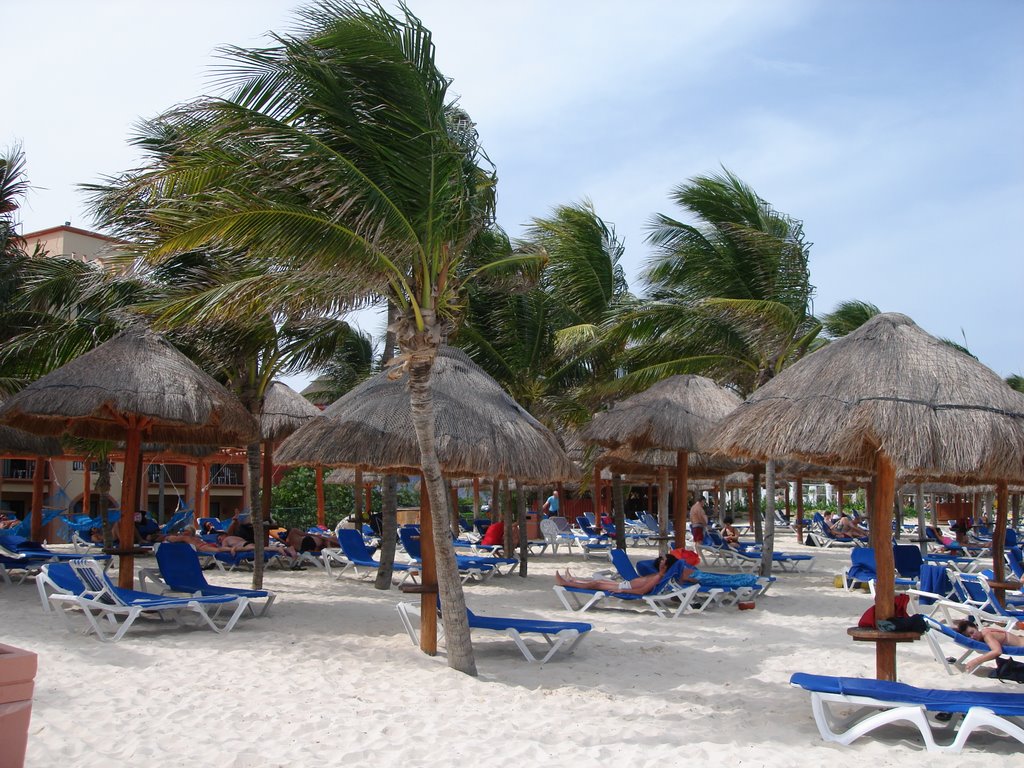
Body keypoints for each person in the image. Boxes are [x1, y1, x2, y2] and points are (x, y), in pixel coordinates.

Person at [555, 554, 678, 595]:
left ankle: (566, 583)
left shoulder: (658, 577)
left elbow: (641, 591)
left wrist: (623, 591)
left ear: (666, 565)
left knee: (596, 583)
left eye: (663, 559)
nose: (660, 560)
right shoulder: (657, 574)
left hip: (624, 588)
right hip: (624, 585)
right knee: (597, 582)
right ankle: (573, 581)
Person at [954, 618, 1024, 674]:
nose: (972, 637)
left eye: (972, 632)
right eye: (968, 636)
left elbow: (997, 651)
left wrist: (975, 661)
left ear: (976, 627)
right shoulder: (984, 632)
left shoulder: (987, 635)